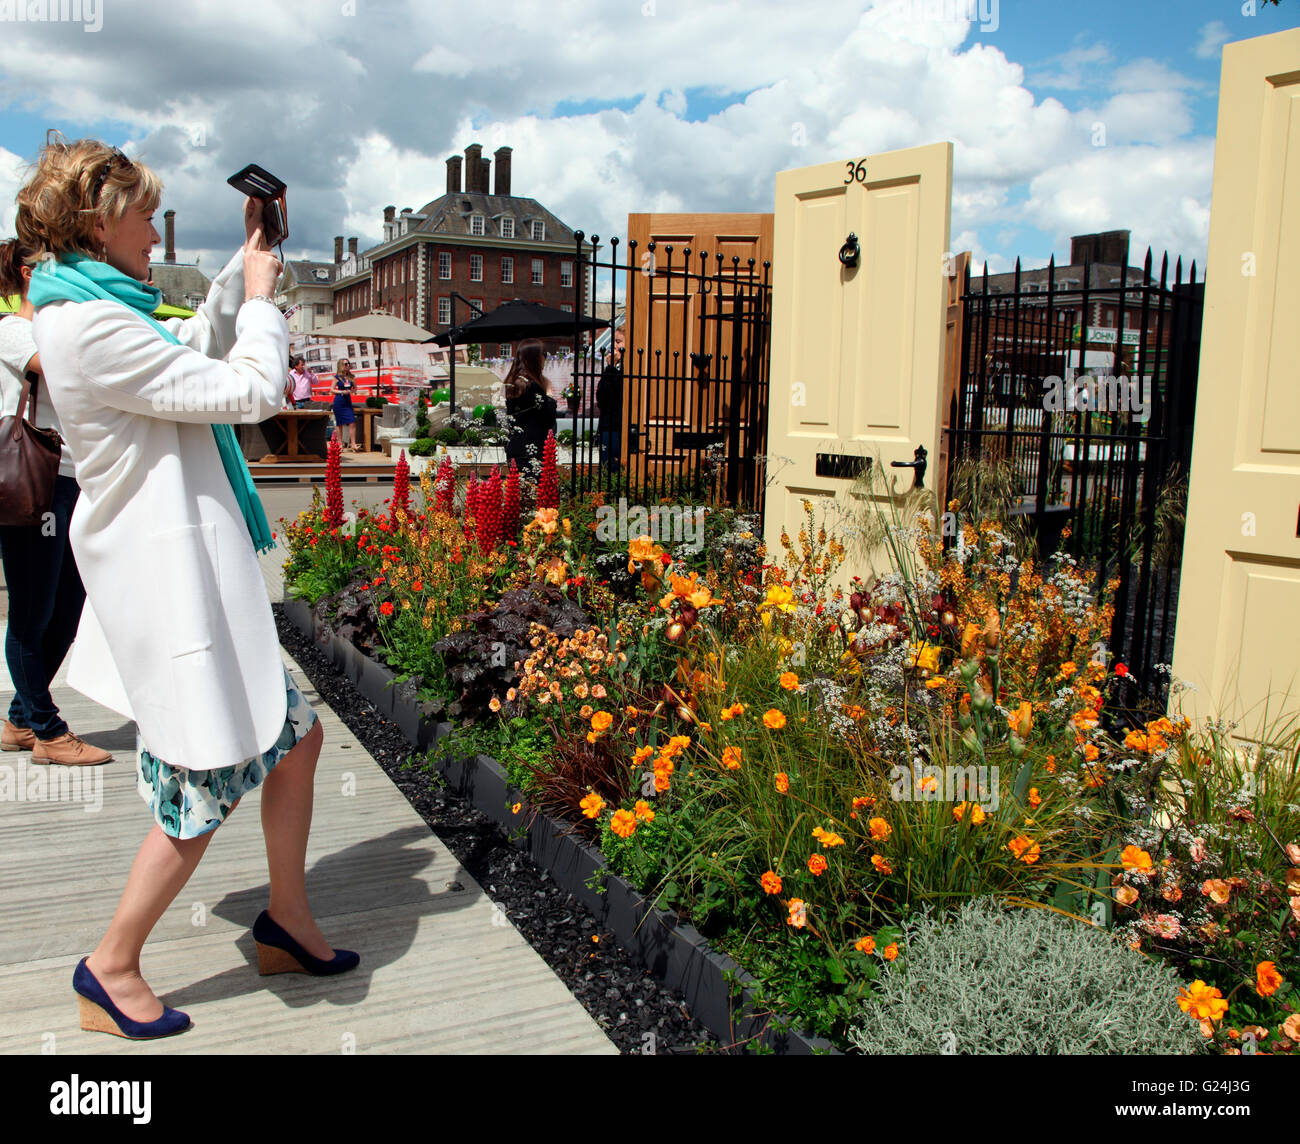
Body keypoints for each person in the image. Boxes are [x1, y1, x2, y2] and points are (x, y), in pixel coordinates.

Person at [18, 135, 356, 1042]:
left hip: (194, 584)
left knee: (295, 742)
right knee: (200, 786)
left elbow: (186, 360)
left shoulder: (97, 309)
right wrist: (263, 303)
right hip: (175, 596)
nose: (151, 231)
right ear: (98, 222)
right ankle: (111, 965)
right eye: (142, 215)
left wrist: (244, 266)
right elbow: (247, 392)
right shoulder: (88, 326)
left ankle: (285, 920)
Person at [0, 237, 111, 765]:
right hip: (34, 483)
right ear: (29, 274)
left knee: (67, 608)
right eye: (56, 265)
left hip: (70, 478)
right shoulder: (14, 329)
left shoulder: (53, 327)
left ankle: (21, 720)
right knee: (32, 611)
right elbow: (66, 372)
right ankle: (47, 731)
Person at [503, 339, 557, 476]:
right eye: (544, 354)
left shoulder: (514, 383)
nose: (545, 359)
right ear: (535, 358)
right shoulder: (532, 386)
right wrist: (549, 392)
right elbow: (548, 417)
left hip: (516, 447)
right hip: (532, 450)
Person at [595, 327, 625, 475]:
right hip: (609, 425)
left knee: (614, 470)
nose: (614, 346)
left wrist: (611, 368)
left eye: (618, 342)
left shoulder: (623, 370)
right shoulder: (615, 369)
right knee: (607, 470)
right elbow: (601, 398)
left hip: (617, 426)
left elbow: (609, 395)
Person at [330, 358, 360, 452]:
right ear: (341, 366)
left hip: (347, 401)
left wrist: (352, 391)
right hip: (339, 401)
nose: (348, 365)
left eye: (348, 363)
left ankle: (353, 444)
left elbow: (355, 388)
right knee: (339, 423)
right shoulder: (337, 377)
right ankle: (340, 444)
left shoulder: (351, 377)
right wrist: (341, 391)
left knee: (352, 421)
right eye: (346, 364)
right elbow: (331, 389)